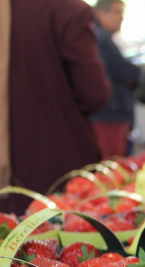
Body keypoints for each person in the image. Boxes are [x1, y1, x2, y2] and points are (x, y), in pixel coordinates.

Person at [1, 0, 110, 213]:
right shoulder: (67, 9)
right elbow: (93, 93)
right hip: (56, 160)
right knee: (59, 237)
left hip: (11, 166)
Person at [92, 0, 140, 159]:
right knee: (111, 169)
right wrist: (131, 75)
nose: (121, 18)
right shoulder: (98, 39)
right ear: (101, 13)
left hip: (112, 114)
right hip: (108, 115)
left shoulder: (105, 39)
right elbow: (126, 71)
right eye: (117, 12)